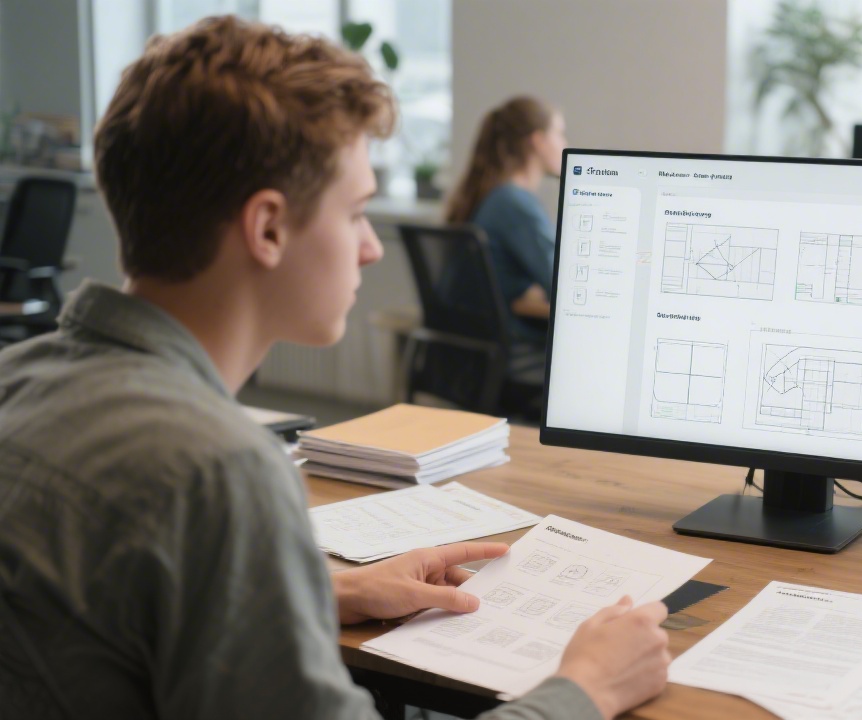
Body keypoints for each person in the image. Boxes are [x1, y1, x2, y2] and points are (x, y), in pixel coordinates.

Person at [0, 17, 670, 719]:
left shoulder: (20, 378)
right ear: (267, 229)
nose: (372, 248)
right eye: (355, 213)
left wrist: (322, 592)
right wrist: (585, 689)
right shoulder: (217, 474)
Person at [444, 96, 567, 385]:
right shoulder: (514, 203)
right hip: (517, 354)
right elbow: (562, 283)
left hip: (477, 355)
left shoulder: (494, 196)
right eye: (559, 133)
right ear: (538, 141)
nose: (564, 143)